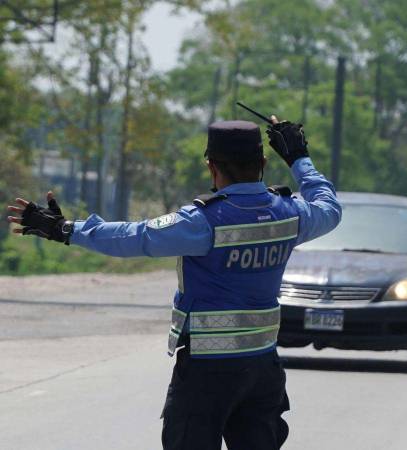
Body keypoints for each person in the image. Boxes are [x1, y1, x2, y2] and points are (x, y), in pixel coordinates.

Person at [7, 117, 341, 450]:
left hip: (207, 370)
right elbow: (329, 207)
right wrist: (299, 157)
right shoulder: (291, 215)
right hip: (262, 369)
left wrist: (64, 229)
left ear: (212, 167)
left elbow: (135, 236)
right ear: (264, 164)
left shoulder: (204, 221)